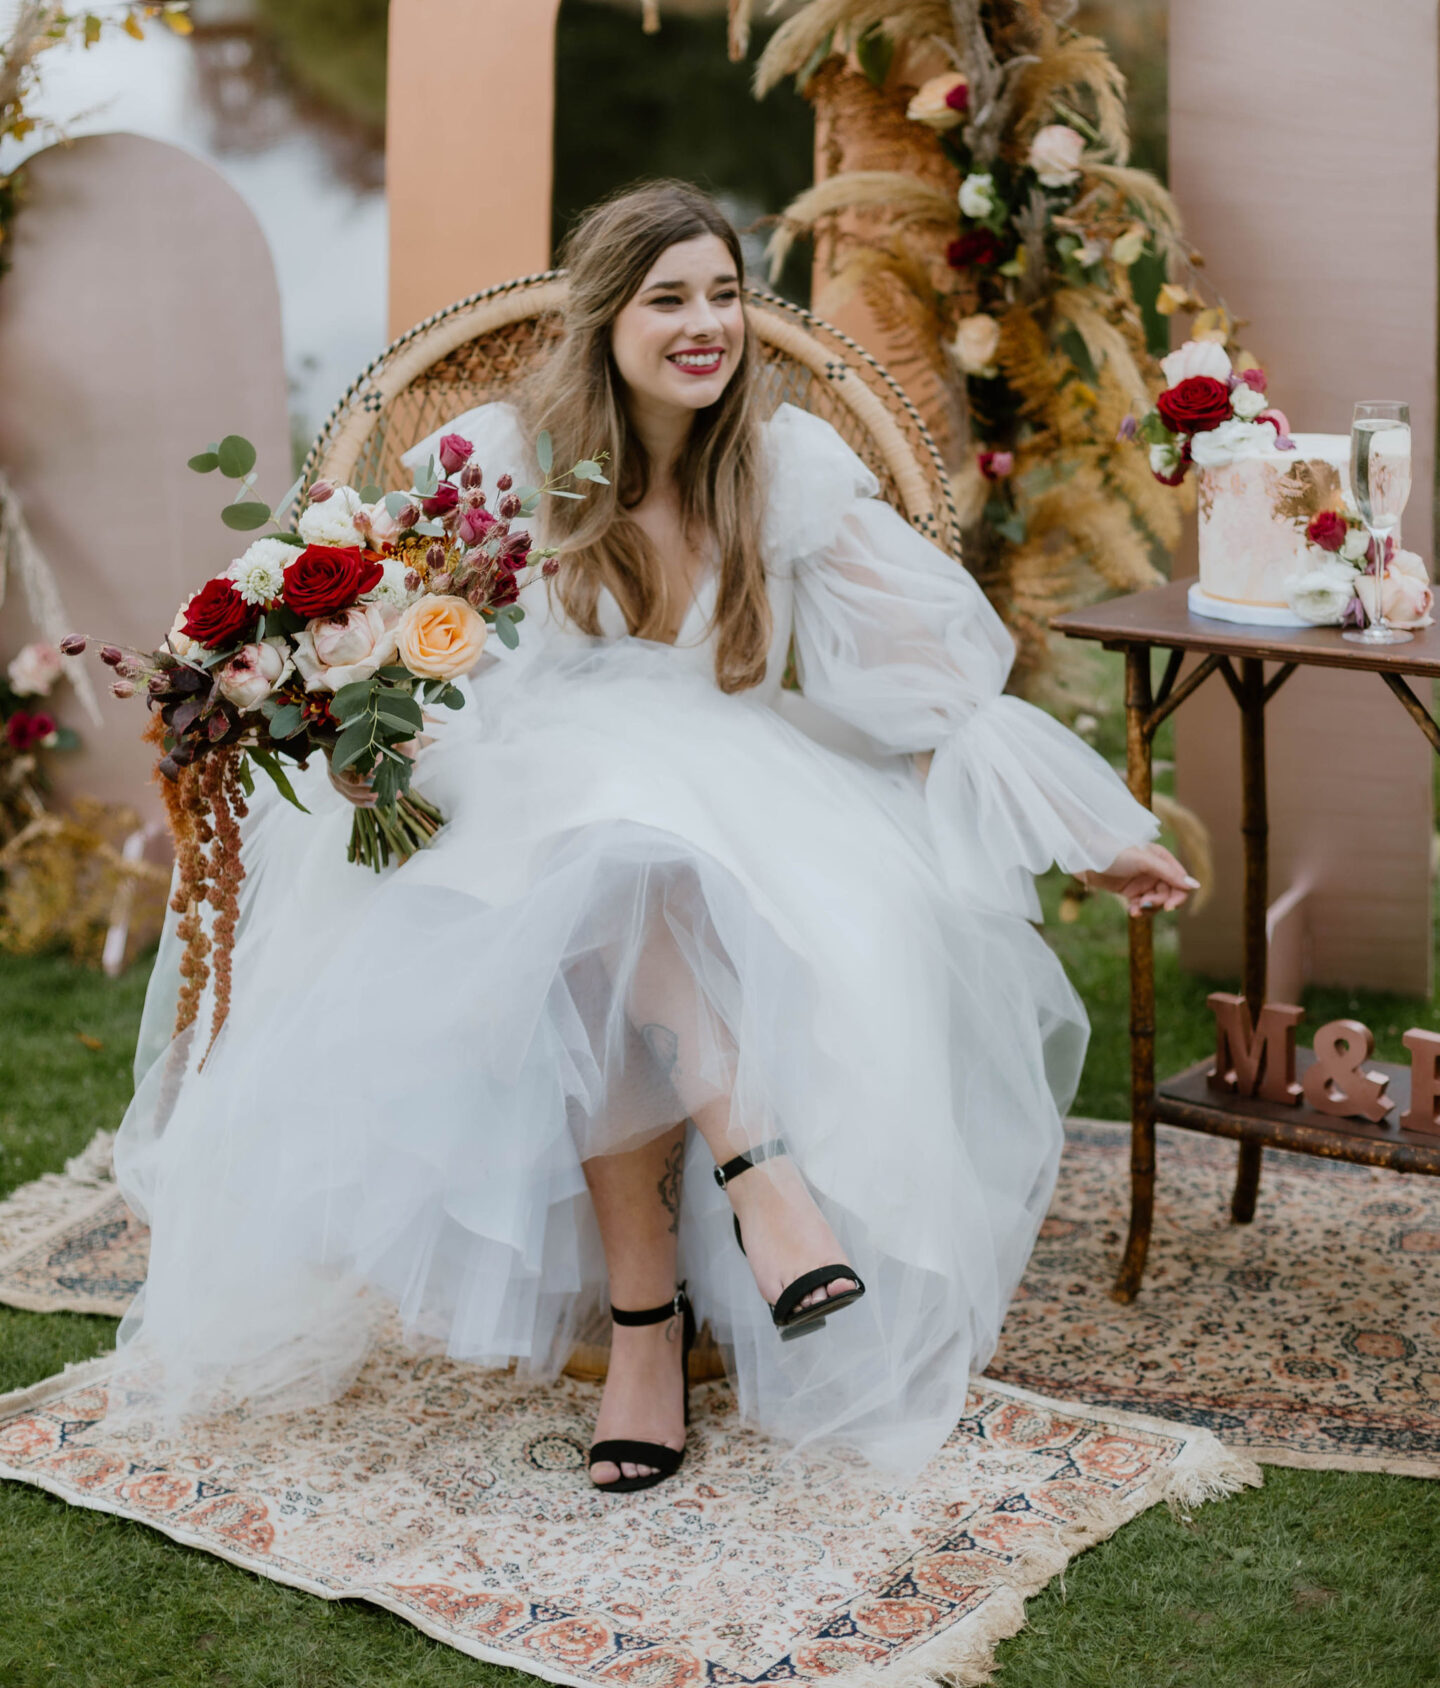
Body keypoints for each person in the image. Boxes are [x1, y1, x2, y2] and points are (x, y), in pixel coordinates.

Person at [112, 179, 1192, 1491]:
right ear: (606, 316)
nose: (706, 324)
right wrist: (355, 722)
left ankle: (646, 1325)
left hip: (729, 782)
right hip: (509, 779)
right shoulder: (504, 463)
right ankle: (764, 1184)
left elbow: (931, 683)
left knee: (635, 860)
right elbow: (417, 664)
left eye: (724, 295)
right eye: (669, 298)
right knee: (606, 843)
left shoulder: (782, 472)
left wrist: (1089, 832)